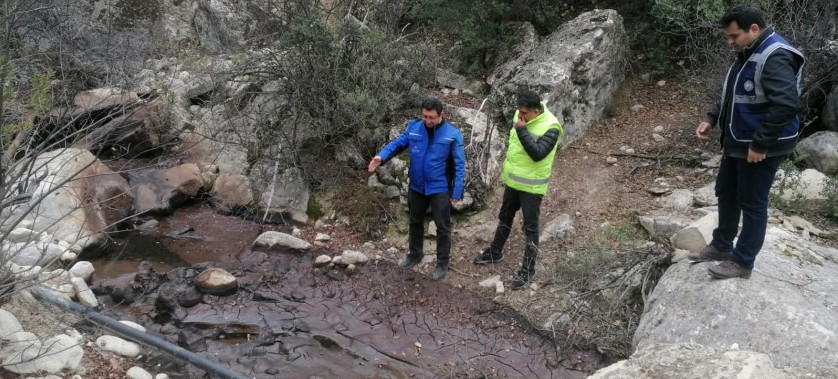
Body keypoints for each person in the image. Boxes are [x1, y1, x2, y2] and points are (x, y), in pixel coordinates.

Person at [690, 5, 805, 279]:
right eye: (729, 38)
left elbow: (787, 105)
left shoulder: (775, 55)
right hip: (739, 140)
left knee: (752, 202)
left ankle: (742, 262)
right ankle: (721, 245)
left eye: (734, 36)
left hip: (762, 145)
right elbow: (733, 91)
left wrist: (761, 145)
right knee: (726, 192)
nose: (731, 43)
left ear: (753, 29)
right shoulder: (747, 51)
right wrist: (712, 118)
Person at [472, 91, 563, 290]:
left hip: (532, 186)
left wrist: (522, 130)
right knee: (504, 216)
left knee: (530, 228)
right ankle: (495, 251)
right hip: (513, 181)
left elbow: (538, 154)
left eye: (524, 113)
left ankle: (529, 270)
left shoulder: (552, 126)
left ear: (536, 111)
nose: (519, 116)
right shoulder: (519, 115)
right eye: (519, 112)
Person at [368, 97, 466, 281]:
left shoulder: (453, 134)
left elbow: (460, 165)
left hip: (440, 187)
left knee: (443, 227)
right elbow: (397, 144)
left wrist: (457, 191)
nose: (428, 121)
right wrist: (381, 157)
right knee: (415, 221)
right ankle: (415, 253)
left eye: (432, 117)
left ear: (441, 115)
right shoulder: (414, 128)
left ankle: (442, 262)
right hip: (417, 185)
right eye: (425, 116)